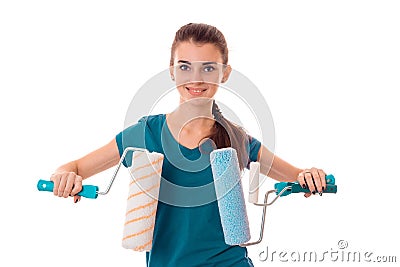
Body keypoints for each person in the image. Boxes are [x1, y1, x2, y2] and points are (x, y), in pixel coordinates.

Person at [50, 23, 327, 267]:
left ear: (225, 73)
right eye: (185, 66)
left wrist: (311, 176)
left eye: (208, 68)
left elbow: (298, 176)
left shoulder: (237, 139)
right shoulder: (145, 134)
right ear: (172, 71)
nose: (196, 78)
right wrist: (65, 176)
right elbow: (73, 167)